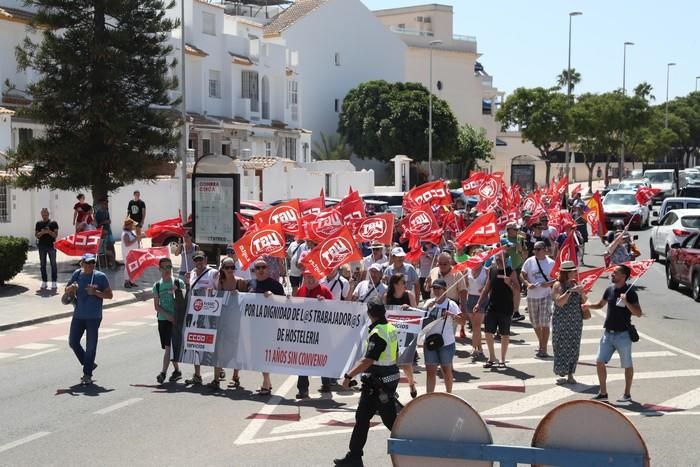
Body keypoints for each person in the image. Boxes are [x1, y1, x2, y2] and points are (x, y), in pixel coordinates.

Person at [334, 301, 400, 467]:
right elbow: (396, 354)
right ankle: (354, 456)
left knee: (391, 421)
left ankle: (417, 448)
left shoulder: (378, 333)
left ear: (370, 313)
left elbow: (368, 359)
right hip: (382, 380)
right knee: (362, 418)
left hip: (379, 384)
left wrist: (348, 376)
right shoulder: (390, 328)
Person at [585, 264, 642, 402]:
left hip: (623, 334)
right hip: (608, 333)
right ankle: (603, 393)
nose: (612, 274)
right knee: (599, 361)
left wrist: (626, 302)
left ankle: (627, 394)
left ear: (623, 276)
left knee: (627, 364)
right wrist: (588, 306)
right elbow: (600, 304)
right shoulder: (609, 289)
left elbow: (638, 313)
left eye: (616, 272)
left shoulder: (630, 292)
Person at [62, 253, 113, 385]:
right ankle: (88, 363)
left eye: (93, 263)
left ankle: (87, 374)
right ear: (82, 263)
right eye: (88, 263)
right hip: (78, 315)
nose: (90, 265)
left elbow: (110, 295)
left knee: (91, 346)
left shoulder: (100, 277)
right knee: (73, 342)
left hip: (94, 317)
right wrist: (71, 289)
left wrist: (95, 293)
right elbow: (66, 290)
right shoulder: (77, 274)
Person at [209, 257, 248, 389]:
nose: (230, 270)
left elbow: (248, 301)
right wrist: (211, 293)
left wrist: (240, 294)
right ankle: (216, 379)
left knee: (236, 349)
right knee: (218, 349)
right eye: (227, 267)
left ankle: (235, 376)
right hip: (221, 321)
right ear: (222, 269)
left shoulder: (240, 282)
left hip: (236, 321)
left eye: (233, 267)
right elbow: (214, 299)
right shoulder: (218, 282)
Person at [248, 257, 285, 395]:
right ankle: (267, 381)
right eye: (258, 268)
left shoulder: (276, 285)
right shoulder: (250, 284)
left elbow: (284, 306)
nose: (261, 270)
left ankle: (266, 381)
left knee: (265, 354)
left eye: (263, 267)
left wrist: (273, 297)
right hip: (254, 326)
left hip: (270, 326)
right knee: (259, 355)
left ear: (268, 269)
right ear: (254, 270)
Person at [476, 251, 520, 369]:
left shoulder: (511, 271)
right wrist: (478, 303)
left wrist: (509, 283)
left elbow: (517, 290)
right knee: (488, 332)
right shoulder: (492, 270)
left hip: (506, 307)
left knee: (504, 334)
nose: (498, 259)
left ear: (506, 259)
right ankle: (492, 357)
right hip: (492, 305)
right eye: (496, 257)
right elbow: (486, 288)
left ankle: (502, 359)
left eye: (500, 258)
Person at [295, 271, 334, 398]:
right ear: (304, 278)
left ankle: (326, 383)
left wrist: (325, 303)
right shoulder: (301, 291)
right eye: (307, 277)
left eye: (312, 277)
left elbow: (335, 310)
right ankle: (303, 389)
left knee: (322, 358)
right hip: (304, 332)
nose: (310, 280)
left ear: (317, 278)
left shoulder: (324, 291)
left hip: (322, 332)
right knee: (302, 360)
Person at [183, 250, 218, 386]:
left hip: (210, 315)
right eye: (196, 260)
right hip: (195, 315)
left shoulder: (212, 273)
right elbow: (191, 291)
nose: (199, 262)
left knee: (213, 345)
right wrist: (187, 283)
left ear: (206, 259)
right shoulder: (191, 273)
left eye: (201, 259)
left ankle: (216, 378)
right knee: (195, 344)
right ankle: (197, 375)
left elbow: (219, 291)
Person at [423, 279, 462, 393]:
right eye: (434, 288)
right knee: (430, 372)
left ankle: (449, 394)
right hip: (430, 342)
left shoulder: (451, 304)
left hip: (446, 343)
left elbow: (462, 321)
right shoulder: (429, 302)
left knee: (446, 370)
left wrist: (452, 315)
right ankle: (429, 396)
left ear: (445, 290)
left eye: (438, 288)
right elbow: (420, 317)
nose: (436, 290)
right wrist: (426, 308)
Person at [551, 261, 586, 384]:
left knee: (573, 347)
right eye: (572, 271)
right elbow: (559, 302)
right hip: (561, 321)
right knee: (560, 345)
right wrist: (570, 291)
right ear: (566, 273)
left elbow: (585, 301)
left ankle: (570, 373)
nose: (575, 273)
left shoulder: (576, 283)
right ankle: (561, 371)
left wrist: (582, 293)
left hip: (575, 321)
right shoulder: (557, 285)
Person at [152, 257, 185, 384]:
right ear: (160, 269)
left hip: (175, 321)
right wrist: (167, 316)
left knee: (168, 347)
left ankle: (163, 373)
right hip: (163, 320)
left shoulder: (178, 283)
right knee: (168, 347)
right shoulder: (157, 285)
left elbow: (183, 302)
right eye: (165, 267)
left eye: (169, 267)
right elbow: (156, 306)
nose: (167, 270)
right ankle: (177, 370)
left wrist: (178, 293)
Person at [384, 273, 417, 398]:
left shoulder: (409, 295)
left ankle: (411, 383)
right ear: (395, 284)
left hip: (407, 332)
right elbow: (385, 314)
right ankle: (393, 388)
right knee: (392, 363)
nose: (405, 284)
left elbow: (417, 314)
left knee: (406, 364)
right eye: (403, 282)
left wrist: (409, 309)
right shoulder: (387, 296)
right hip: (392, 333)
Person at [521, 241, 556, 358]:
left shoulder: (551, 263)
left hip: (546, 295)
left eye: (538, 249)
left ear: (545, 250)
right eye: (534, 249)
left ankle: (543, 348)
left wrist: (549, 284)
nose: (535, 251)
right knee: (535, 323)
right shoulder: (529, 261)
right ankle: (541, 342)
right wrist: (526, 283)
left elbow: (558, 278)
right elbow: (522, 274)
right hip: (532, 296)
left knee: (544, 322)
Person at [464, 255, 488, 361]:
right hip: (470, 299)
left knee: (477, 325)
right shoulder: (467, 270)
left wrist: (483, 288)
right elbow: (465, 286)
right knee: (474, 326)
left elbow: (488, 285)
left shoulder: (486, 271)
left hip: (481, 299)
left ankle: (474, 348)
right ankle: (480, 347)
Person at [504, 223, 527, 322]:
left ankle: (516, 312)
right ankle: (506, 310)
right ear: (509, 230)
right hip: (505, 267)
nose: (517, 231)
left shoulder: (520, 239)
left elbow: (526, 254)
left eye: (518, 229)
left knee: (517, 288)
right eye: (515, 229)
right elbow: (496, 252)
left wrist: (521, 250)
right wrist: (506, 249)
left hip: (517, 267)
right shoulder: (502, 238)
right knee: (505, 290)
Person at [35, 208, 59, 290]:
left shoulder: (53, 223)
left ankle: (54, 282)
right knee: (42, 265)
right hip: (42, 246)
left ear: (48, 214)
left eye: (46, 214)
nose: (44, 216)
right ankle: (44, 281)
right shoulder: (38, 223)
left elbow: (55, 235)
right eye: (43, 214)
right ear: (41, 214)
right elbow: (37, 235)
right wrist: (42, 232)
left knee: (53, 264)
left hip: (51, 246)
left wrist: (49, 232)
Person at [94, 197, 116, 268]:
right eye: (104, 203)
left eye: (106, 203)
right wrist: (104, 222)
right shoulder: (98, 213)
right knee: (105, 249)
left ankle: (112, 263)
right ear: (101, 204)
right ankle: (105, 264)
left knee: (111, 246)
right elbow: (97, 225)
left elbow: (109, 220)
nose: (106, 204)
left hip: (109, 231)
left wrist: (108, 221)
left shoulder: (107, 211)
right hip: (103, 234)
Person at [121, 217, 142, 288]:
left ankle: (131, 281)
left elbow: (136, 239)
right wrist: (136, 238)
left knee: (133, 267)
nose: (134, 226)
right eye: (132, 225)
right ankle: (126, 282)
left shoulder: (131, 232)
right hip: (128, 254)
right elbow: (127, 244)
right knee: (128, 268)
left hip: (133, 253)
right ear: (128, 225)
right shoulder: (125, 234)